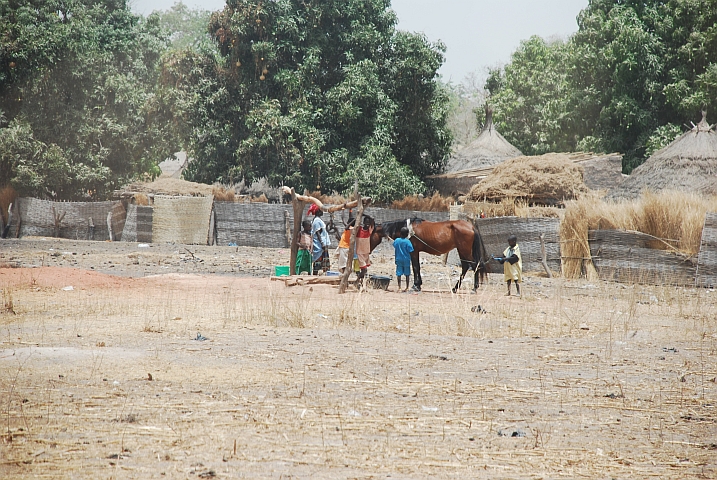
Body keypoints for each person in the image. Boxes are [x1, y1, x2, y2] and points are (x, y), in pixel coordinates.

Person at [309, 204, 331, 274]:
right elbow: (318, 233)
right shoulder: (317, 221)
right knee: (318, 261)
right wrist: (322, 243)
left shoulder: (318, 219)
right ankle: (315, 277)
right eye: (321, 210)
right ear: (318, 211)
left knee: (322, 261)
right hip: (320, 245)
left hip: (321, 245)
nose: (322, 211)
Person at [393, 227, 414, 292]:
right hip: (406, 259)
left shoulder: (397, 240)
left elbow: (394, 245)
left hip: (398, 259)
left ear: (400, 233)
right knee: (407, 274)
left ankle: (399, 288)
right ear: (407, 234)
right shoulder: (408, 242)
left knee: (399, 273)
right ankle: (407, 287)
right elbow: (411, 250)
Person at [355, 215, 374, 282]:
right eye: (366, 222)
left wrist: (365, 215)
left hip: (366, 252)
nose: (367, 224)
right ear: (363, 222)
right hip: (360, 252)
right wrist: (360, 215)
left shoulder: (369, 230)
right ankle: (357, 281)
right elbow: (355, 222)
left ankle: (361, 282)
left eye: (368, 223)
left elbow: (372, 219)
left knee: (364, 269)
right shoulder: (359, 229)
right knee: (364, 269)